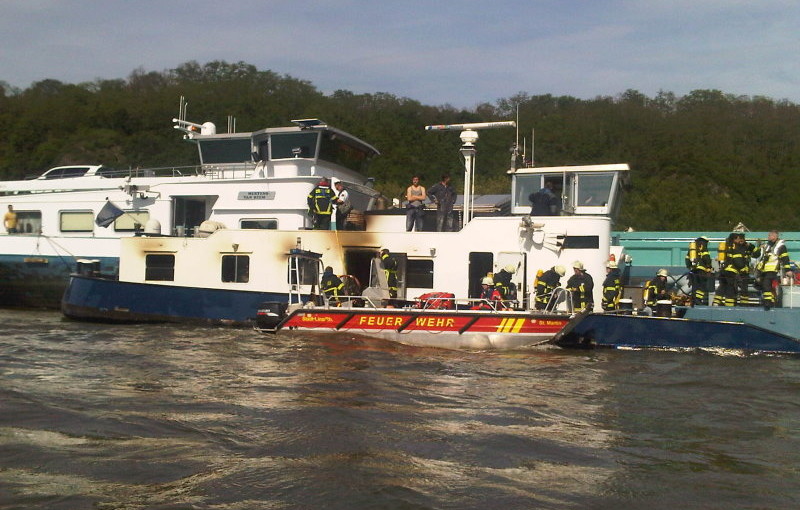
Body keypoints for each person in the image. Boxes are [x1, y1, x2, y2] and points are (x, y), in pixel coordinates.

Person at [755, 230, 793, 310]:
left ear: (775, 236)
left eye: (770, 235)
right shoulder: (767, 246)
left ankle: (768, 303)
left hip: (774, 270)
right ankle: (771, 301)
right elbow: (762, 258)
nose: (768, 237)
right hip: (764, 270)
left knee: (767, 285)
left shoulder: (781, 246)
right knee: (764, 286)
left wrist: (788, 270)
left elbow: (785, 258)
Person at [685, 236, 713, 306]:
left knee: (695, 286)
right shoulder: (703, 247)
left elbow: (687, 260)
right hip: (701, 271)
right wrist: (709, 266)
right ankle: (698, 300)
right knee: (701, 286)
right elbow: (706, 258)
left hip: (693, 271)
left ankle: (694, 300)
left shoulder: (692, 249)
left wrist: (690, 267)